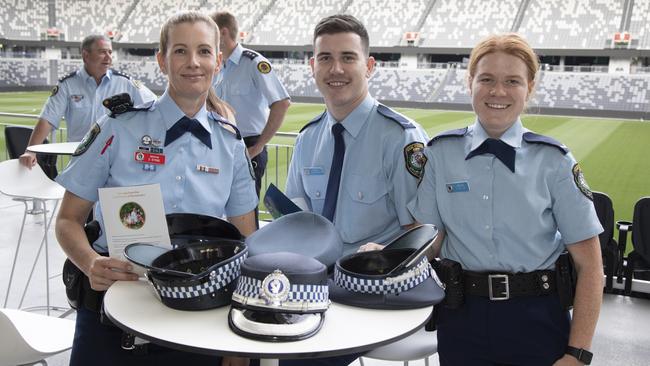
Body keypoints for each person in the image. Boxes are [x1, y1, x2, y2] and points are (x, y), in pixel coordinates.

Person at [55, 11, 257, 366]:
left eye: (204, 52)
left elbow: (246, 245)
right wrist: (90, 263)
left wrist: (236, 343)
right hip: (113, 310)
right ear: (162, 60)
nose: (193, 63)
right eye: (180, 51)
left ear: (219, 61)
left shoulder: (231, 145)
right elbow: (68, 220)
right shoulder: (117, 128)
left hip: (198, 317)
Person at [403, 34, 603, 365]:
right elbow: (429, 243)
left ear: (529, 88)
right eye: (487, 79)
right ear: (470, 82)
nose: (498, 92)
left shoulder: (554, 161)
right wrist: (388, 255)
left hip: (537, 317)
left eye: (512, 81)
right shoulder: (440, 154)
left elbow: (590, 265)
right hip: (460, 317)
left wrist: (578, 353)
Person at [285, 14, 428, 258]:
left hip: (373, 282)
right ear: (312, 67)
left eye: (348, 57)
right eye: (325, 58)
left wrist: (389, 256)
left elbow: (422, 232)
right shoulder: (308, 139)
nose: (336, 69)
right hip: (313, 279)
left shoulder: (401, 138)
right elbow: (294, 215)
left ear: (369, 66)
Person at [19, 34, 156, 168]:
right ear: (86, 55)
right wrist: (30, 151)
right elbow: (48, 119)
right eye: (102, 52)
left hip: (116, 159)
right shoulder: (67, 84)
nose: (109, 57)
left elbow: (153, 105)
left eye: (110, 52)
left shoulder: (125, 82)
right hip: (80, 160)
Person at [211, 11, 291, 225]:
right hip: (223, 145)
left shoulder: (254, 63)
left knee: (246, 211)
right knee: (220, 207)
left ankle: (248, 257)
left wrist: (258, 147)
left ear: (223, 32)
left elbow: (281, 102)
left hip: (250, 145)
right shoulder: (218, 66)